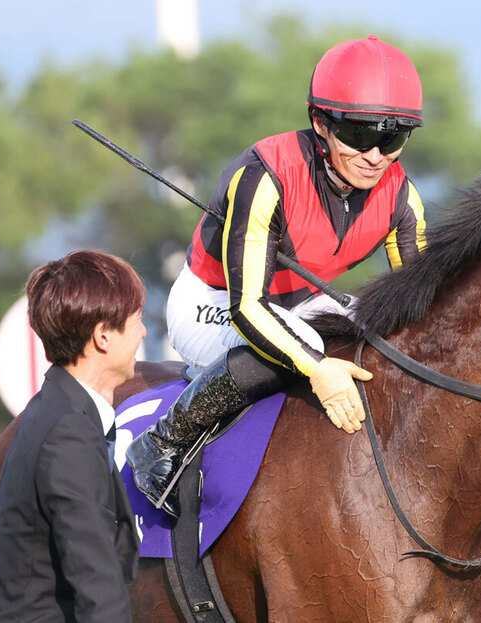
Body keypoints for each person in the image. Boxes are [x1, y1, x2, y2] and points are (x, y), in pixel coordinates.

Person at [127, 35, 428, 517]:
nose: (375, 156)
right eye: (358, 135)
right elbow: (248, 309)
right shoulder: (264, 176)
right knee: (299, 347)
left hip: (300, 303)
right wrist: (317, 366)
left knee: (373, 333)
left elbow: (423, 308)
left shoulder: (401, 198)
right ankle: (163, 441)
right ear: (320, 123)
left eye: (391, 139)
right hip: (215, 302)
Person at [0, 250, 145, 623]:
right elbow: (98, 590)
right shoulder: (67, 433)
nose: (143, 332)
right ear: (102, 336)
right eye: (137, 320)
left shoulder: (56, 412)